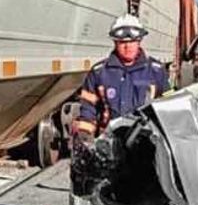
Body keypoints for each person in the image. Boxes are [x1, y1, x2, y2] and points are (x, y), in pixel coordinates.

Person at [72, 13, 170, 143]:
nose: (127, 46)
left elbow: (169, 104)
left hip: (146, 143)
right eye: (122, 42)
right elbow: (88, 108)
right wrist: (85, 138)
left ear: (139, 40)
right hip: (109, 142)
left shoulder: (156, 71)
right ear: (115, 42)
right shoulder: (98, 73)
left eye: (132, 41)